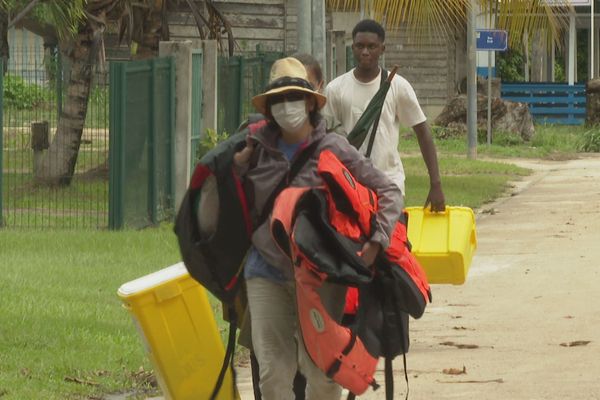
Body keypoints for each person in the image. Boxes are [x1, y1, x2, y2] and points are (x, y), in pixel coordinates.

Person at [232, 57, 403, 399]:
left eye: (293, 97)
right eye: (277, 100)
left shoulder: (333, 148)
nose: (286, 106)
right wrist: (235, 167)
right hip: (263, 272)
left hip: (319, 276)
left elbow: (388, 190)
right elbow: (222, 201)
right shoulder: (253, 149)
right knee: (272, 375)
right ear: (268, 108)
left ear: (310, 102)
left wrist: (376, 241)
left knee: (324, 373)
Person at [323, 19, 446, 211]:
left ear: (382, 49)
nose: (365, 52)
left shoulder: (397, 86)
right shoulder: (335, 89)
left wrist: (436, 184)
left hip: (390, 186)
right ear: (353, 47)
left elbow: (422, 132)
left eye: (371, 46)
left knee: (391, 241)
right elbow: (325, 136)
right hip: (349, 185)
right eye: (360, 46)